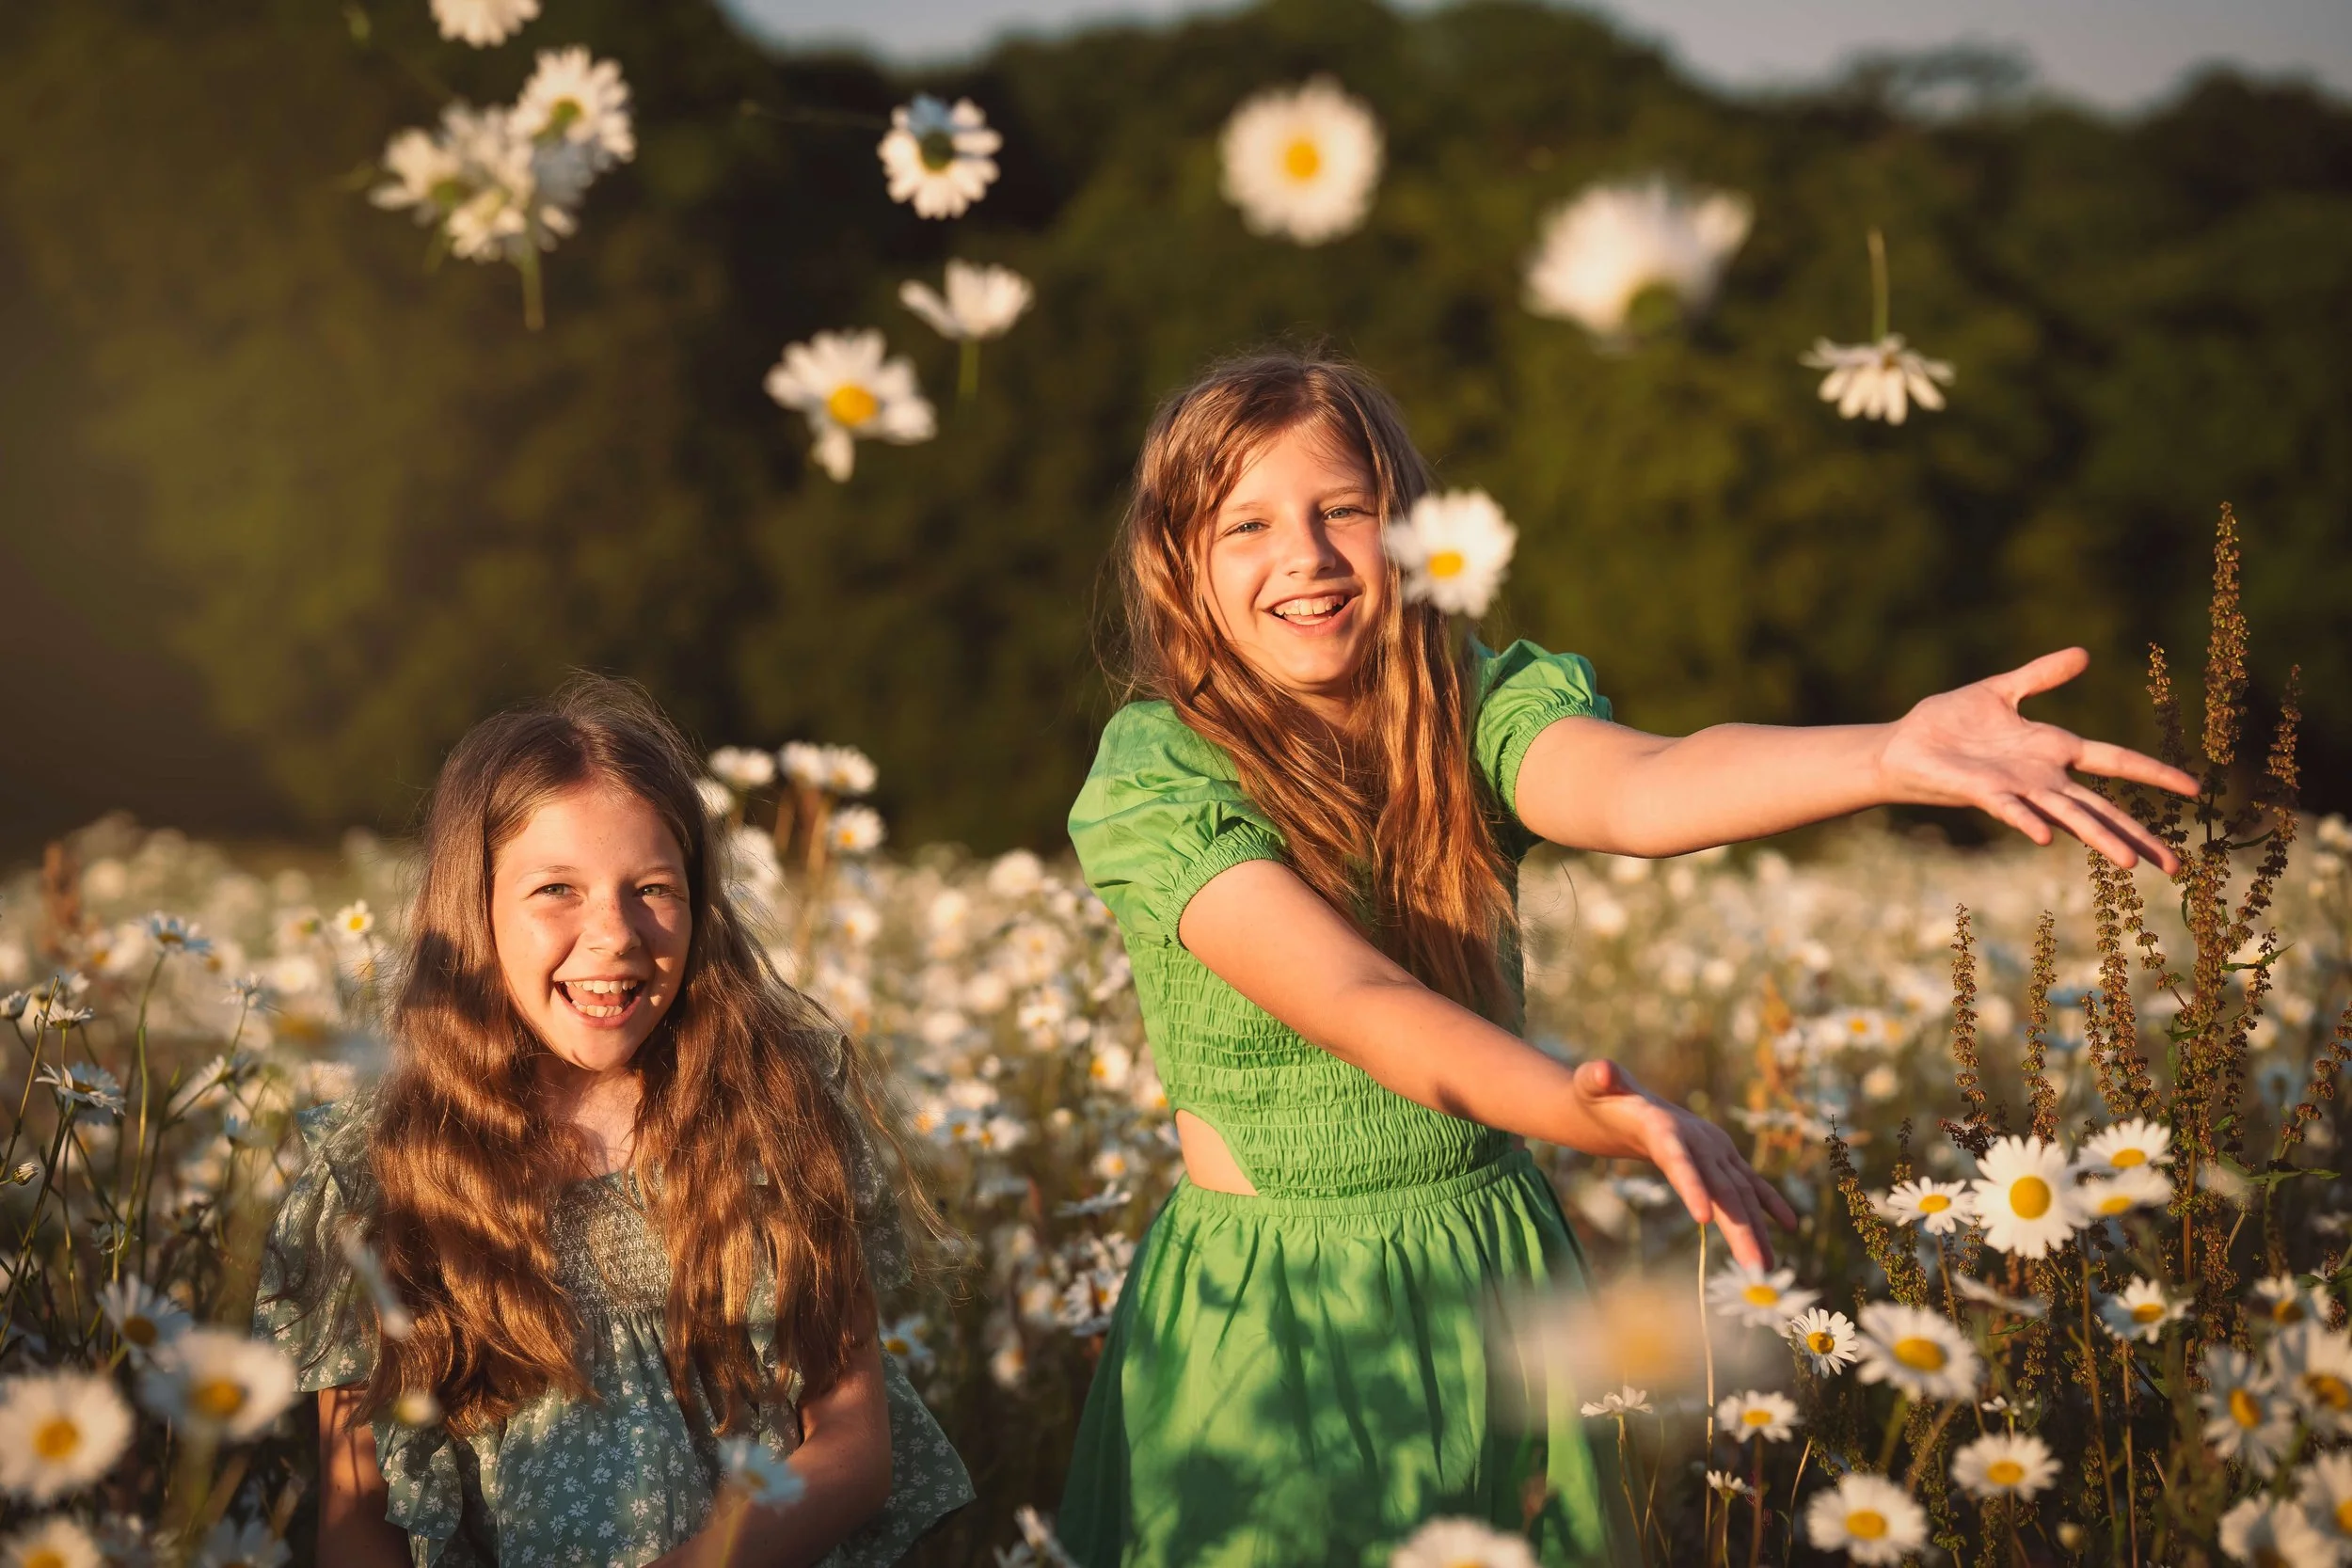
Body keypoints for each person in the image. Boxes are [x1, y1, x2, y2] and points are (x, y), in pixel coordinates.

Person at [1055, 351, 2194, 1566]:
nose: (1311, 555)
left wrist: (1887, 753)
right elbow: (1358, 999)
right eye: (1249, 524)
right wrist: (1587, 1109)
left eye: (1345, 509)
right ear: (1178, 563)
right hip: (1272, 1310)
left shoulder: (1474, 706)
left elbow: (1649, 785)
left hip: (1491, 1269)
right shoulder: (1158, 779)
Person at [257, 676, 973, 1567]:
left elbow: (853, 1448)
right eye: (557, 888)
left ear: (701, 901)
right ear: (472, 911)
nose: (616, 935)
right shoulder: (382, 1170)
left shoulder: (768, 1115)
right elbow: (357, 1514)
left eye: (653, 888)